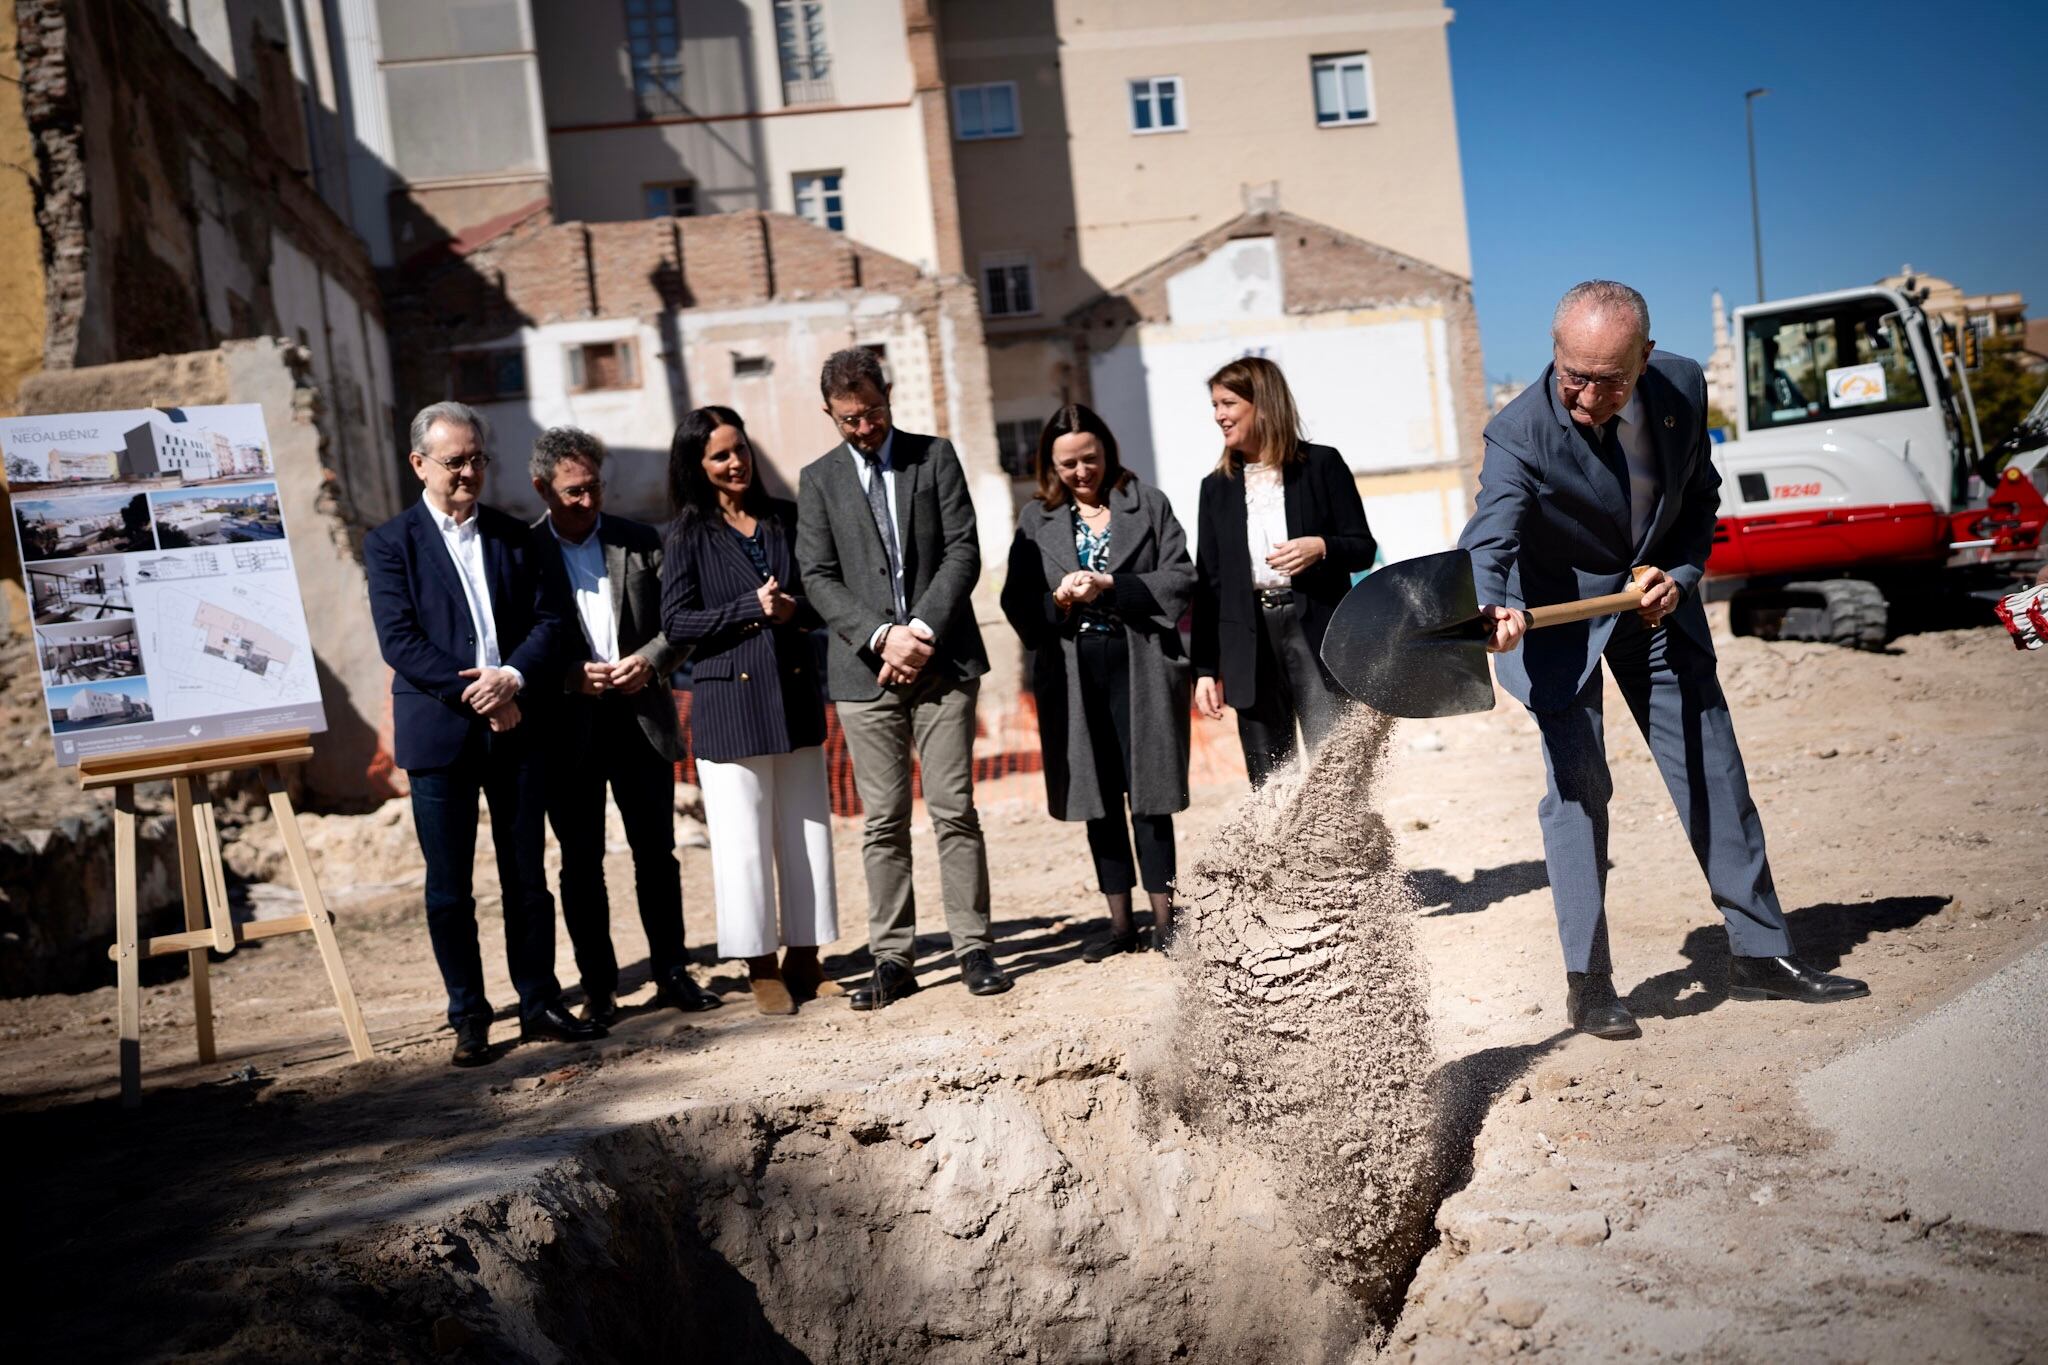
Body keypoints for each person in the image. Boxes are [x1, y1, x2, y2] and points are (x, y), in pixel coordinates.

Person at [1459, 280, 1870, 1041]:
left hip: (1651, 607)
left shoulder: (1680, 384)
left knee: (1714, 765)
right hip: (1554, 619)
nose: (1582, 395)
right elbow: (1492, 532)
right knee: (1580, 788)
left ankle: (1759, 953)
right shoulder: (1519, 432)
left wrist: (1677, 577)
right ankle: (1590, 982)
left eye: (1605, 380)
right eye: (1569, 373)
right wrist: (1488, 604)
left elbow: (1699, 502)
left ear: (1644, 360)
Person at [363, 402, 604, 1067]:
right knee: (449, 886)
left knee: (527, 876)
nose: (469, 472)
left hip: (520, 726)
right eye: (455, 461)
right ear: (419, 464)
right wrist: (479, 692)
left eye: (478, 459)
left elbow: (550, 622)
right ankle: (469, 1015)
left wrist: (513, 680)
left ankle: (539, 1001)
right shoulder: (390, 544)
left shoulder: (515, 537)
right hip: (442, 734)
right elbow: (400, 640)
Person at [794, 348, 1011, 1009]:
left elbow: (963, 549)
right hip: (865, 677)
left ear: (889, 395)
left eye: (875, 412)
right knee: (883, 821)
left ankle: (973, 946)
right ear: (829, 412)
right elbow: (817, 576)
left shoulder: (934, 457)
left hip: (942, 665)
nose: (866, 429)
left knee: (954, 811)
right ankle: (894, 957)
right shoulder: (818, 479)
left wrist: (918, 631)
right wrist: (882, 636)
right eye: (850, 419)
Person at [528, 426, 721, 1025]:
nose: (588, 500)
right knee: (580, 865)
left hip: (640, 718)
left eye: (594, 486)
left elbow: (681, 620)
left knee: (655, 855)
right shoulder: (523, 552)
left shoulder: (639, 541)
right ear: (543, 489)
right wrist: (567, 677)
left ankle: (671, 971)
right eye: (573, 491)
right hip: (568, 727)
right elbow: (516, 638)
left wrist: (652, 662)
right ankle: (600, 987)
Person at [660, 406, 842, 1015]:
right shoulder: (686, 534)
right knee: (742, 843)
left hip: (792, 693)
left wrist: (794, 612)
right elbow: (676, 623)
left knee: (807, 831)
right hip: (727, 702)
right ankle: (760, 965)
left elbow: (821, 599)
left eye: (740, 448)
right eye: (719, 455)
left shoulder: (785, 519)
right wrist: (747, 607)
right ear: (697, 464)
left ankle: (806, 958)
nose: (736, 462)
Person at [1001, 404, 1195, 959]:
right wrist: (1058, 598)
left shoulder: (1149, 504)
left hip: (1142, 664)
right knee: (1099, 796)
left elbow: (1183, 578)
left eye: (1089, 459)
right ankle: (1118, 925)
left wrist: (1111, 584)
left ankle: (1165, 920)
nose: (1081, 472)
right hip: (1072, 669)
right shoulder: (1034, 520)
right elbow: (1017, 603)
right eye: (1068, 464)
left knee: (1151, 796)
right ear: (1050, 466)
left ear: (1107, 451)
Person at [1191, 355, 1377, 786]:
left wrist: (1322, 546)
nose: (1219, 415)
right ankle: (1286, 858)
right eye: (1215, 406)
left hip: (1315, 631)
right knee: (1271, 779)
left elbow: (1363, 549)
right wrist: (1203, 669)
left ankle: (1342, 855)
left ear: (1263, 403)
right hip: (1248, 641)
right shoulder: (1215, 487)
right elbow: (1209, 583)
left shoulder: (1322, 465)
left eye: (1228, 403)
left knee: (1336, 770)